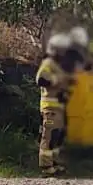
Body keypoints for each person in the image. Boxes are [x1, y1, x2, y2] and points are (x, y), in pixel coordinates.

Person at [35, 33, 78, 175]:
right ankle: (46, 167)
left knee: (57, 137)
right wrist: (57, 81)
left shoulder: (58, 66)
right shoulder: (48, 64)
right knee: (49, 137)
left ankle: (54, 163)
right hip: (50, 107)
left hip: (59, 107)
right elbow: (41, 80)